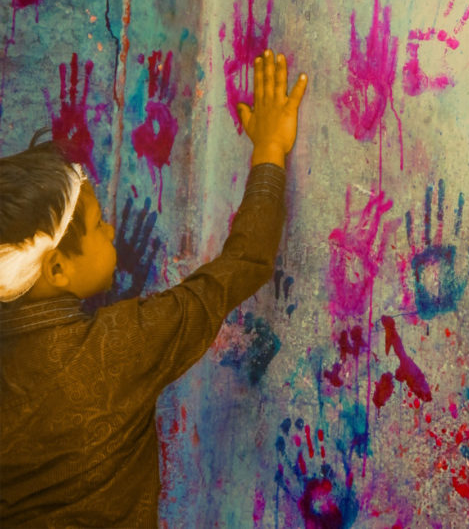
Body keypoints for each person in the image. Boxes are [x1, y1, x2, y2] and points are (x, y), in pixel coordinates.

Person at [0, 49, 307, 528]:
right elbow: (242, 264)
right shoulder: (115, 349)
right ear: (56, 268)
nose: (109, 231)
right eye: (100, 223)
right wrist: (269, 150)